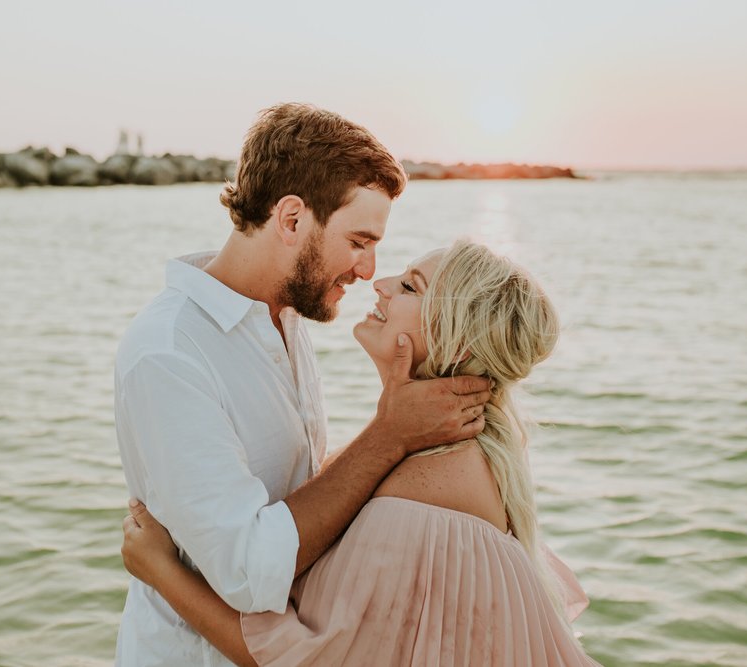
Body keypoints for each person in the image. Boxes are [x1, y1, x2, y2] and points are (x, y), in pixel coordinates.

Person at [114, 104, 492, 665]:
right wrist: (389, 436)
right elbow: (247, 571)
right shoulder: (169, 353)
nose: (368, 271)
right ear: (291, 220)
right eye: (359, 241)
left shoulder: (284, 315)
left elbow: (298, 494)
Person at [122, 241, 603, 666]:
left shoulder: (425, 491)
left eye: (411, 287)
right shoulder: (437, 454)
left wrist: (160, 571)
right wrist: (387, 431)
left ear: (455, 343)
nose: (382, 283)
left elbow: (304, 659)